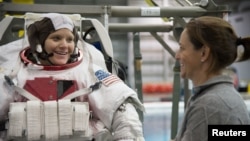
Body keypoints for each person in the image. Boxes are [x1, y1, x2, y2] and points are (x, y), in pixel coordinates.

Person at [0, 13, 145, 141]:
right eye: (56, 38)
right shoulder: (14, 74)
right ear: (38, 43)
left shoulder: (89, 73)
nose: (65, 45)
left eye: (70, 40)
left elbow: (122, 109)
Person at [173, 16, 250, 141]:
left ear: (204, 53)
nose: (177, 56)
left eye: (182, 48)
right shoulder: (226, 97)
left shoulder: (209, 105)